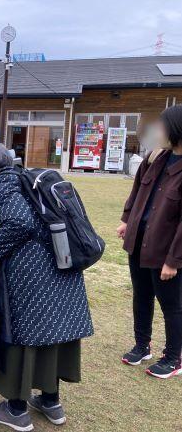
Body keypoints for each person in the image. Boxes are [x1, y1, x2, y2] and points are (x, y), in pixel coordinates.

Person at [0, 141, 94, 431]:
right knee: (55, 333)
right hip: (62, 265)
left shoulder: (1, 184)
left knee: (23, 336)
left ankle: (15, 409)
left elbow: (20, 223)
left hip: (32, 276)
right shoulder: (26, 178)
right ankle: (51, 401)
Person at [118, 104, 182, 379]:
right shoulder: (156, 157)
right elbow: (136, 190)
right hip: (139, 241)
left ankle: (173, 358)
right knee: (141, 295)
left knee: (171, 305)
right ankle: (142, 345)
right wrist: (126, 219)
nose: (159, 130)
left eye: (164, 125)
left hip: (166, 249)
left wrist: (174, 260)